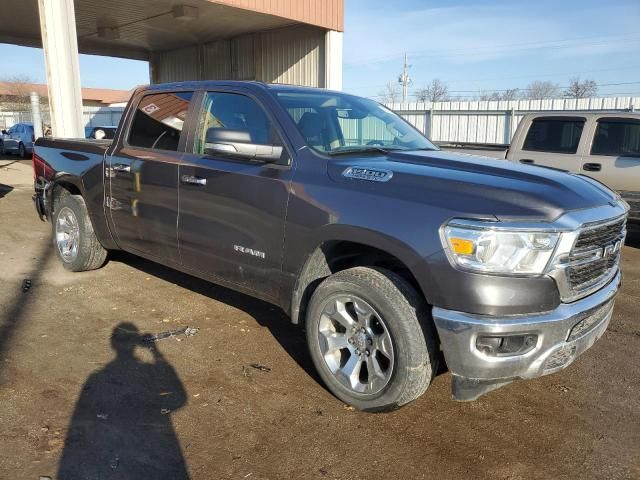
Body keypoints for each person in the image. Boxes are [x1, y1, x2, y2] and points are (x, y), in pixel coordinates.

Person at [58, 323, 189, 479]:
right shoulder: (147, 371)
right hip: (147, 443)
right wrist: (155, 351)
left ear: (113, 344)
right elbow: (179, 397)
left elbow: (86, 414)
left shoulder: (97, 377)